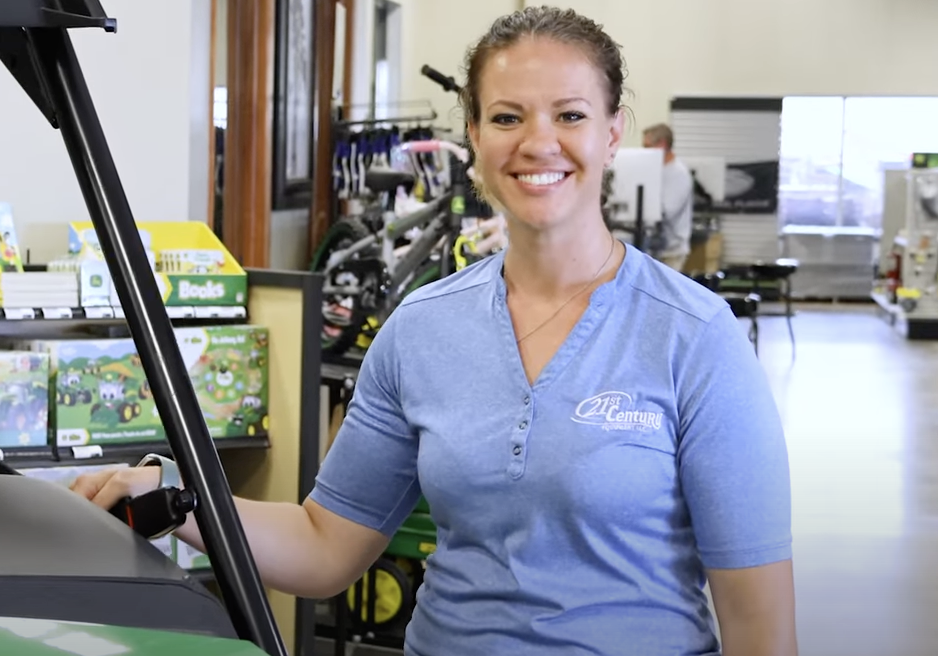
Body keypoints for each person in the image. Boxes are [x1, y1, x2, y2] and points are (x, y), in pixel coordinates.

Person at [71, 6, 796, 655]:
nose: (537, 143)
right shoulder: (420, 329)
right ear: (474, 137)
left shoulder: (693, 337)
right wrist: (181, 498)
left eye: (569, 116)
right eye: (507, 118)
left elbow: (758, 624)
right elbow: (327, 545)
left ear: (612, 133)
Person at [642, 122, 695, 272]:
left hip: (671, 252)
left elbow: (667, 211)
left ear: (662, 145)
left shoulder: (679, 173)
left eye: (647, 146)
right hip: (654, 250)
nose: (644, 151)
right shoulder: (654, 169)